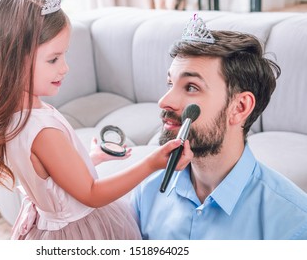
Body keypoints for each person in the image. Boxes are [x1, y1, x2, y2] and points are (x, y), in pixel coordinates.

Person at [0, 0, 192, 240]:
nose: (64, 67)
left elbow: (50, 179)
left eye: (64, 55)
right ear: (11, 60)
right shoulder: (42, 130)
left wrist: (91, 159)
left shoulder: (13, 118)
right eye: (53, 59)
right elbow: (92, 194)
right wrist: (152, 163)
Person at [132, 14, 307, 239]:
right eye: (170, 83)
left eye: (191, 87)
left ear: (240, 107)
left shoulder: (294, 223)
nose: (164, 101)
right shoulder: (147, 192)